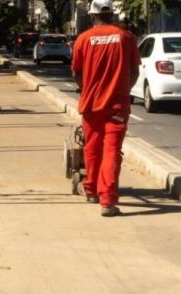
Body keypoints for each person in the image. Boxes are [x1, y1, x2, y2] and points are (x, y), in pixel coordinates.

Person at [72, 0, 140, 217]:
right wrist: (122, 89)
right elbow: (134, 71)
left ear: (92, 15)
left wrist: (86, 89)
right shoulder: (125, 37)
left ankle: (91, 190)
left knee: (91, 148)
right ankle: (108, 201)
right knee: (111, 150)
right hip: (117, 106)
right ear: (112, 14)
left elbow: (76, 73)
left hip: (91, 104)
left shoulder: (83, 39)